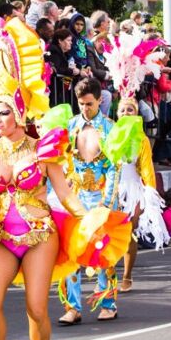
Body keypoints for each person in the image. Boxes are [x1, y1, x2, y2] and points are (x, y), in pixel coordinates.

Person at [0, 17, 124, 340]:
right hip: (0, 235)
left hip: (39, 234)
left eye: (4, 112)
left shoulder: (44, 148)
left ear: (19, 112)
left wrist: (88, 217)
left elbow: (63, 193)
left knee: (36, 306)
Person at [104, 33, 170, 289]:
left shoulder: (141, 139)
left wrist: (150, 193)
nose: (126, 112)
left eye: (130, 109)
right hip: (111, 188)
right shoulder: (109, 133)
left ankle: (127, 276)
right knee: (108, 234)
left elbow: (146, 168)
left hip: (132, 189)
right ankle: (109, 276)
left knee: (128, 233)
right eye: (122, 109)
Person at [60, 78, 119, 324]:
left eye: (90, 104)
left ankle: (107, 303)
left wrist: (107, 203)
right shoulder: (71, 125)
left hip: (101, 196)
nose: (85, 108)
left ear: (100, 100)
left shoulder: (110, 128)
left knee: (102, 252)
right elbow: (65, 161)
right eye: (81, 104)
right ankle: (73, 307)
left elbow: (114, 168)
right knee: (71, 252)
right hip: (77, 197)